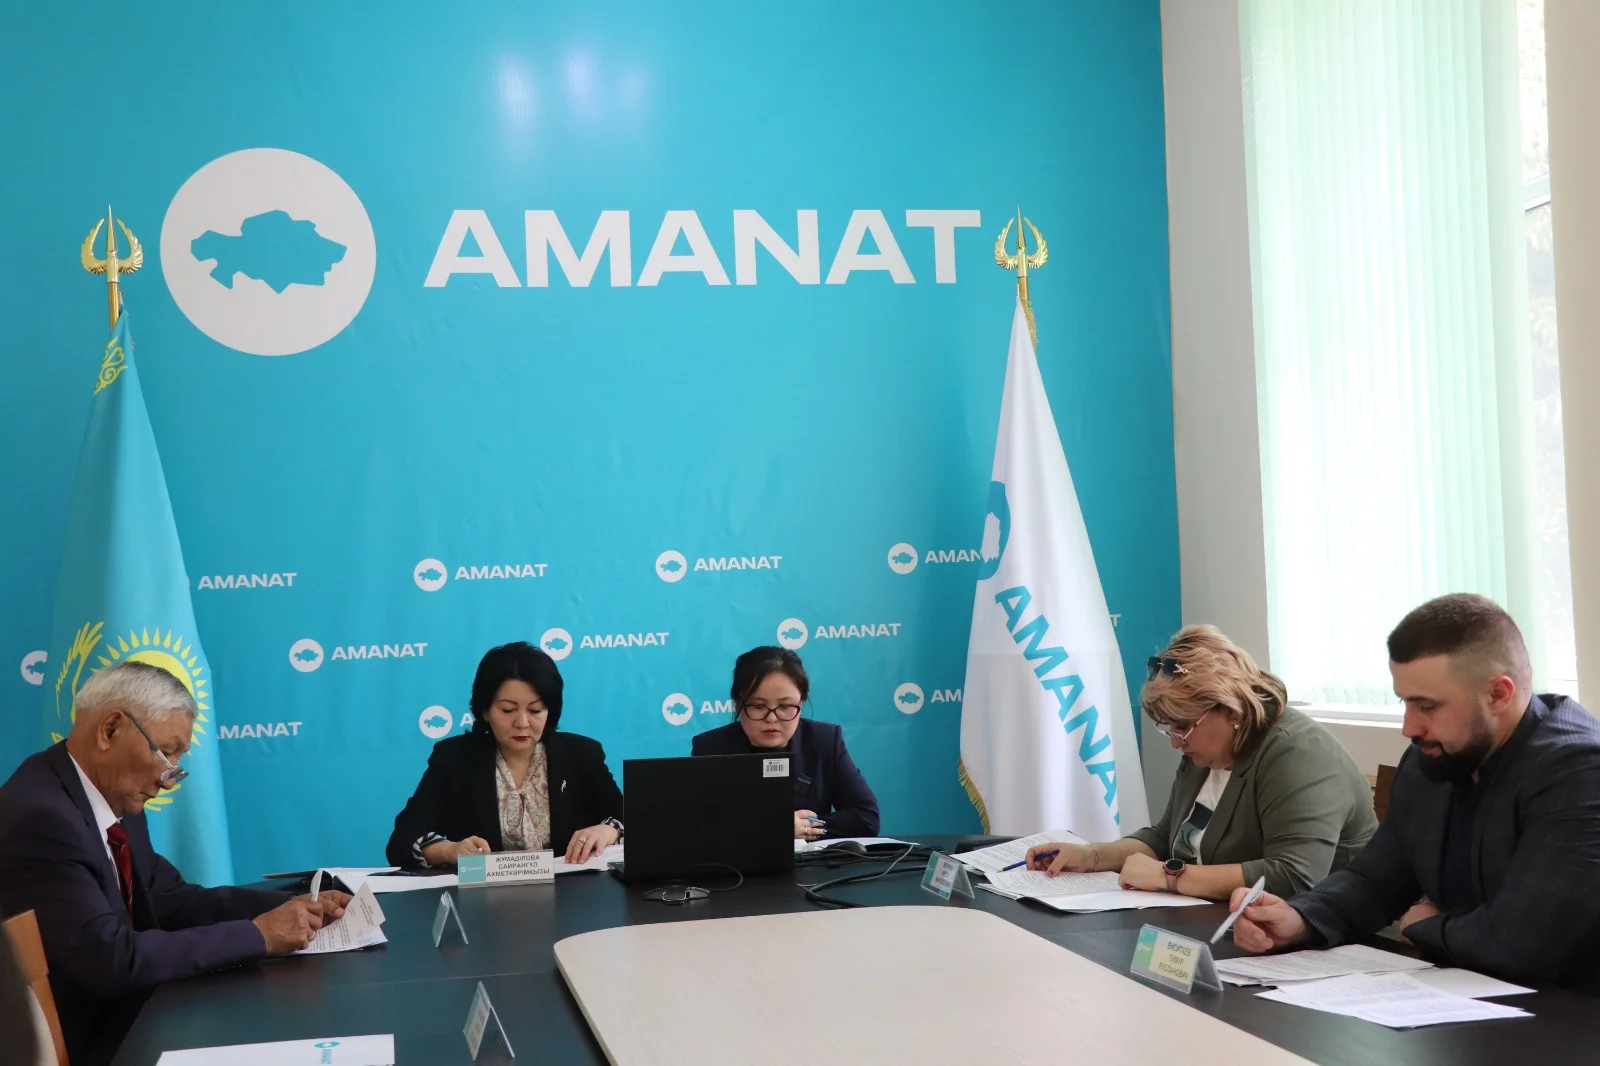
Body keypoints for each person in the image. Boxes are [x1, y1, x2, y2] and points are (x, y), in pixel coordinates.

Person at [1230, 594, 1600, 990]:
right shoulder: (1434, 755)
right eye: (1406, 702)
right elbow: (1376, 879)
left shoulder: (1578, 770)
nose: (1409, 727)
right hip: (1461, 994)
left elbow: (1518, 943)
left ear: (1498, 694)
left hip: (1566, 1012)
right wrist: (1299, 918)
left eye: (1427, 706)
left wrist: (1421, 926)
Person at [0, 661, 348, 1066]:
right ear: (110, 729)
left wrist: (294, 906)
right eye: (166, 753)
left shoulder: (110, 794)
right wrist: (260, 935)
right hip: (100, 1042)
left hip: (141, 1014)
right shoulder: (41, 818)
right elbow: (112, 961)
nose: (169, 780)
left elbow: (169, 898)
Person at [1025, 625, 1376, 900]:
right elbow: (1165, 838)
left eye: (1183, 727)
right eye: (1169, 728)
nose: (1176, 742)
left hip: (1331, 934)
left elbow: (1293, 876)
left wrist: (1169, 877)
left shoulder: (1298, 754)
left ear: (1231, 711)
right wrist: (1090, 856)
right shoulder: (1209, 747)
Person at [387, 642, 624, 868]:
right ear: (485, 710)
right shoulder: (454, 759)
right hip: (482, 894)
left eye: (535, 710)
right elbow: (402, 840)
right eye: (508, 710)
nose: (522, 723)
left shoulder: (581, 755)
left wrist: (608, 830)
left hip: (572, 892)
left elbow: (632, 821)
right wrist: (448, 851)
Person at [691, 646, 880, 840]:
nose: (772, 718)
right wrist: (775, 827)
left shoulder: (825, 740)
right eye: (758, 706)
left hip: (810, 859)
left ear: (801, 702)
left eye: (785, 706)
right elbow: (697, 826)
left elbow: (866, 818)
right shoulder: (710, 748)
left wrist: (805, 828)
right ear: (737, 704)